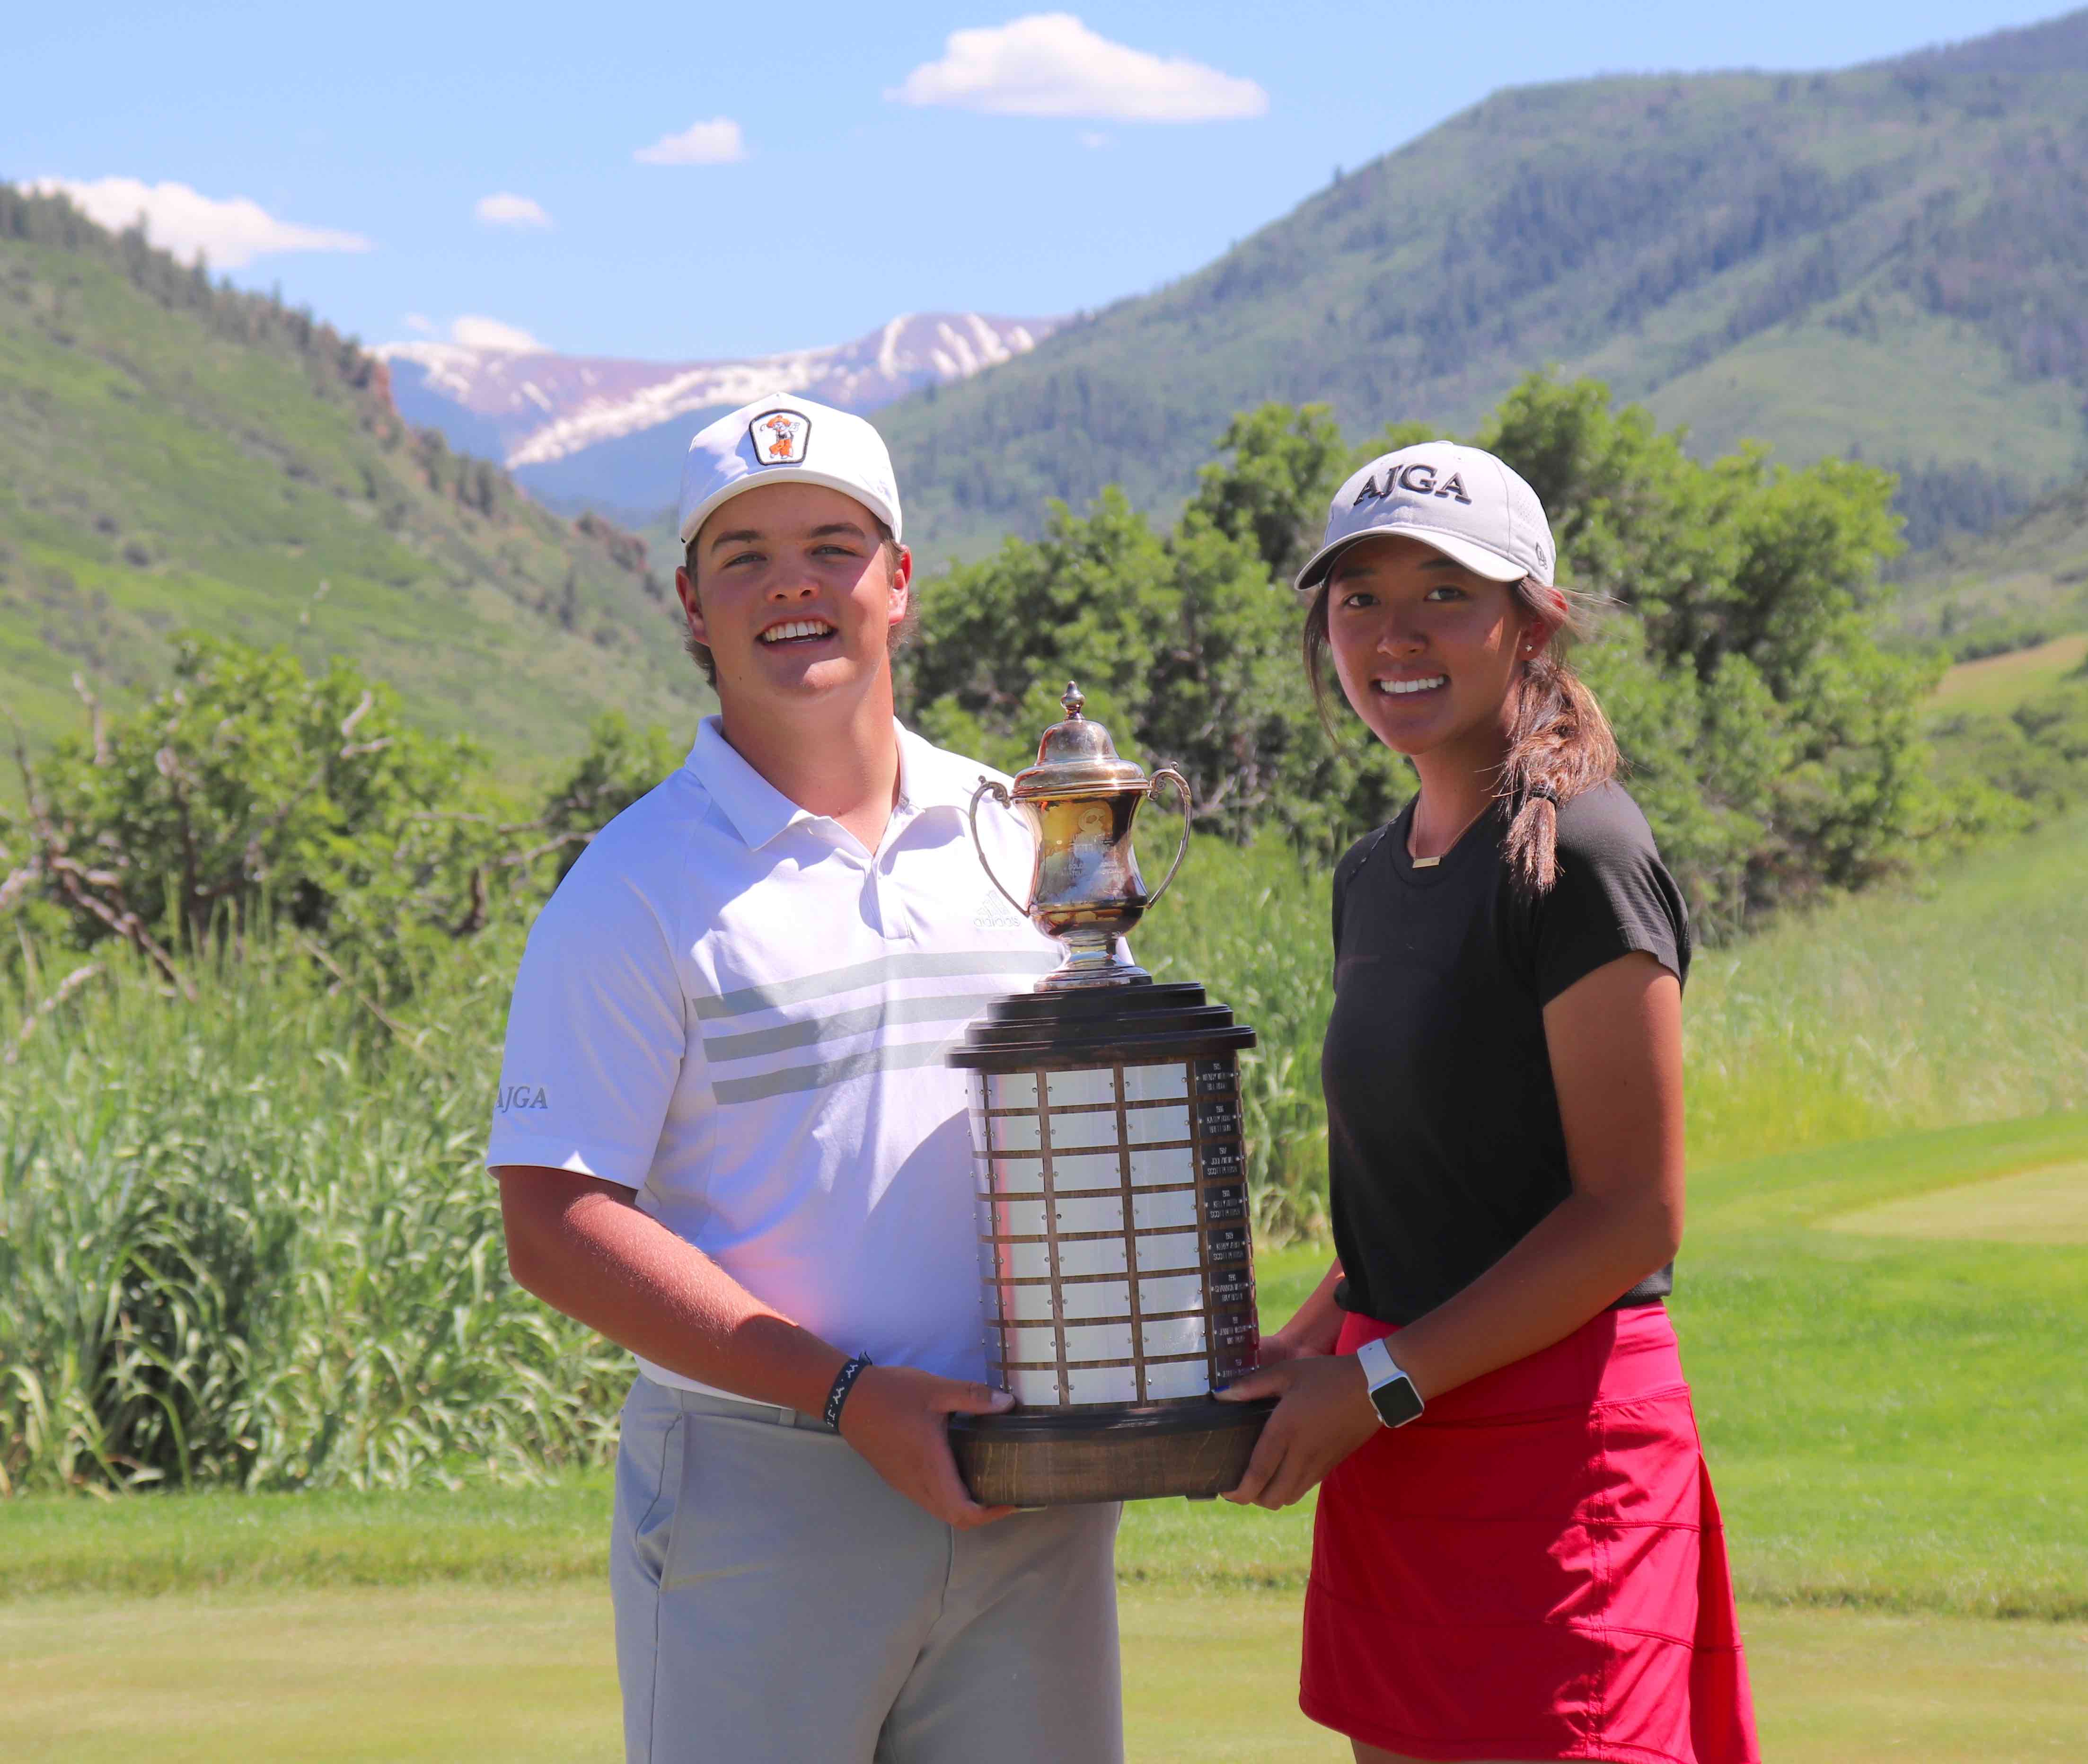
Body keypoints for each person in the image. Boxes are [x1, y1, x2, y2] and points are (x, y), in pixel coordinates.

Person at [489, 394, 1123, 1764]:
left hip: (1031, 1488)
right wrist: (844, 1392)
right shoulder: (633, 888)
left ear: (899, 583)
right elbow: (552, 1222)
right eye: (745, 554)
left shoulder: (1022, 841)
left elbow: (1101, 1132)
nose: (793, 580)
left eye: (835, 545)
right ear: (689, 604)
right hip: (761, 1491)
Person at [1216, 443, 1761, 1764]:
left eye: (1444, 595)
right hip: (1400, 1438)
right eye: (1359, 599)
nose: (1395, 635)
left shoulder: (1583, 850)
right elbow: (1431, 1198)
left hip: (1560, 1452)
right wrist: (1307, 1348)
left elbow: (1632, 1216)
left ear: (1531, 620)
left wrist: (1375, 1387)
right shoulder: (1371, 874)